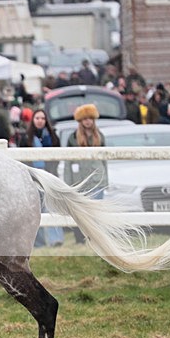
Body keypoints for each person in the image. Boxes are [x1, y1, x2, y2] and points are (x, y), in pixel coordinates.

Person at [19, 109, 63, 247]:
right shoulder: (26, 138)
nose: (40, 120)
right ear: (33, 120)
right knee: (34, 210)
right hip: (32, 177)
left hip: (49, 175)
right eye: (37, 118)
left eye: (42, 118)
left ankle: (55, 240)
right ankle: (38, 242)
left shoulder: (53, 136)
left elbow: (57, 156)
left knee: (51, 208)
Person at [64, 104, 108, 244]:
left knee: (96, 211)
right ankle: (81, 238)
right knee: (82, 212)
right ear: (80, 121)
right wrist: (68, 182)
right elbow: (68, 162)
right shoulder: (72, 138)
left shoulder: (100, 136)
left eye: (90, 118)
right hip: (80, 179)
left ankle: (96, 239)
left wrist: (106, 180)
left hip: (97, 178)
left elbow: (105, 159)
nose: (88, 121)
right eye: (85, 119)